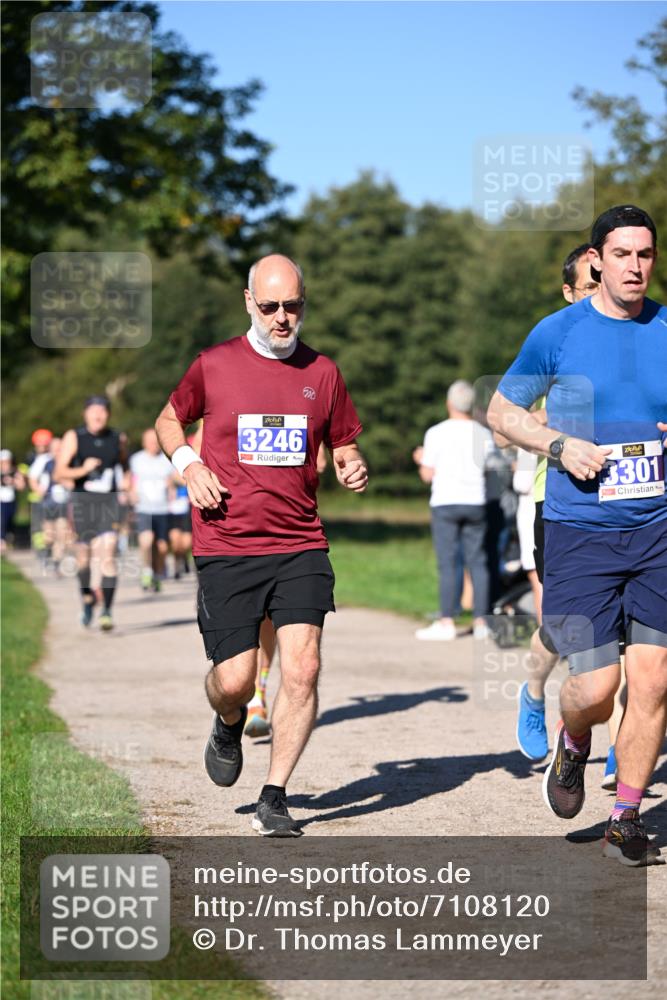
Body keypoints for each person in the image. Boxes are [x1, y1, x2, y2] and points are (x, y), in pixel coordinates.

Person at [155, 253, 367, 837]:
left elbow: (344, 442)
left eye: (292, 306)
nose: (281, 317)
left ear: (304, 304)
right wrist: (189, 463)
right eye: (270, 306)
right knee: (236, 682)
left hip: (300, 542)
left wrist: (351, 465)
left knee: (303, 668)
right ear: (249, 302)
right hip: (227, 543)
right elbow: (168, 420)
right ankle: (227, 721)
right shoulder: (214, 364)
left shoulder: (322, 372)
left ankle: (275, 795)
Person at [488, 205, 666, 866]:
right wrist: (559, 444)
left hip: (656, 533)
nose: (634, 266)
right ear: (596, 259)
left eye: (644, 254)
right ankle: (570, 739)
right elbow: (501, 411)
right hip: (580, 533)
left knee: (651, 681)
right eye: (621, 254)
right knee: (594, 690)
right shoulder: (557, 333)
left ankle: (625, 815)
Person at [514, 245, 601, 763]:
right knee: (565, 623)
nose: (598, 297)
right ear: (569, 293)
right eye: (588, 287)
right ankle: (532, 694)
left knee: (633, 629)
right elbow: (502, 424)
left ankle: (624, 745)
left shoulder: (638, 337)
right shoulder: (553, 343)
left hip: (632, 497)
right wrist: (546, 429)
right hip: (560, 496)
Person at [413, 380, 493, 641]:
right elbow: (492, 469)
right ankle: (481, 621)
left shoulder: (436, 433)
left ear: (449, 403)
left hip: (446, 502)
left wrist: (420, 460)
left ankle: (447, 621)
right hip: (475, 501)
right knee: (478, 563)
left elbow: (427, 474)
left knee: (448, 563)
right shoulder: (483, 433)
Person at [55, 396, 128, 630]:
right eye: (93, 411)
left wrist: (127, 486)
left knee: (109, 555)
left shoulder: (118, 438)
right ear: (85, 414)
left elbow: (125, 468)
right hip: (82, 504)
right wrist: (83, 469)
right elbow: (59, 473)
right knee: (84, 559)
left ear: (108, 414)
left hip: (109, 504)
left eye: (103, 411)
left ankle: (106, 610)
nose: (98, 415)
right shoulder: (74, 437)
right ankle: (87, 599)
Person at [129, 429, 174, 592]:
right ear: (144, 442)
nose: (153, 444)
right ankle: (147, 571)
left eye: (155, 441)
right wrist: (131, 493)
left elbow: (170, 481)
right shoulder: (136, 459)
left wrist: (172, 491)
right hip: (144, 508)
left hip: (162, 509)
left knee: (161, 547)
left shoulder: (165, 461)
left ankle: (157, 573)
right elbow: (130, 480)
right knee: (146, 541)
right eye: (149, 441)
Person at [0, 449, 26, 552]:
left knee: (10, 521)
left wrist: (13, 482)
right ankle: (2, 541)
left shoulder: (15, 472)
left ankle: (9, 539)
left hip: (11, 501)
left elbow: (22, 486)